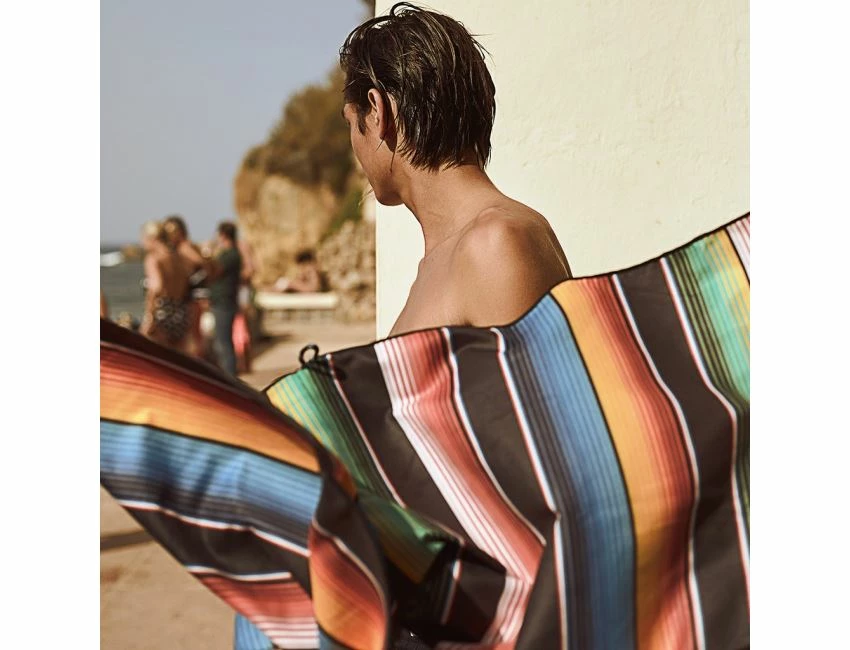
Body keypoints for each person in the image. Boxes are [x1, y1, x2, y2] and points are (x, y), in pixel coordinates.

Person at [340, 3, 572, 336]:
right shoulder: (457, 252)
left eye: (350, 122)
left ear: (377, 111)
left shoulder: (495, 243)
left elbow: (540, 372)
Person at [139, 221, 192, 351]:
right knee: (176, 358)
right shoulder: (178, 257)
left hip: (162, 311)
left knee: (152, 356)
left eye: (143, 238)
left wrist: (149, 317)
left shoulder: (153, 259)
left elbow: (157, 287)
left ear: (152, 238)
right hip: (180, 311)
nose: (142, 243)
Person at [163, 215, 208, 357]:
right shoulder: (184, 247)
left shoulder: (184, 247)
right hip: (192, 297)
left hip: (193, 298)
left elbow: (200, 263)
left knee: (193, 337)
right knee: (193, 336)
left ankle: (196, 364)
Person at [207, 221, 242, 376]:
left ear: (222, 235)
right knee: (223, 341)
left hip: (223, 302)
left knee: (223, 342)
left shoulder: (229, 255)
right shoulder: (234, 253)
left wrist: (209, 255)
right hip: (226, 300)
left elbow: (215, 271)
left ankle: (229, 376)